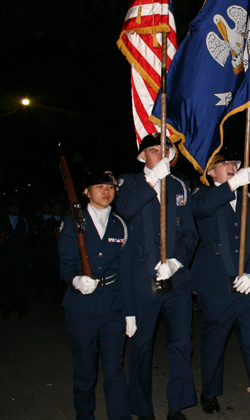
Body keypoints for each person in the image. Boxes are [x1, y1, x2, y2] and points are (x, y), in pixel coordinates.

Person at [190, 153, 250, 420]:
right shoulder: (201, 193)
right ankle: (209, 393)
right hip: (216, 285)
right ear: (211, 172)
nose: (232, 167)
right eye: (225, 164)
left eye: (235, 164)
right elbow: (200, 209)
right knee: (214, 342)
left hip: (248, 287)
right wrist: (232, 187)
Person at [117, 133, 200, 420]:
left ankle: (177, 406)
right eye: (154, 150)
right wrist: (152, 181)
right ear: (143, 157)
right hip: (142, 281)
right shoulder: (128, 183)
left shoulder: (180, 186)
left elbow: (191, 233)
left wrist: (177, 262)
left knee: (181, 343)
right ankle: (142, 409)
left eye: (166, 150)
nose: (161, 155)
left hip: (177, 280)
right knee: (141, 348)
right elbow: (125, 210)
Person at [58, 171, 130, 420]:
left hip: (113, 305)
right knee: (86, 371)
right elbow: (66, 263)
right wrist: (75, 279)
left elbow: (126, 271)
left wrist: (129, 311)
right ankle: (85, 416)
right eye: (99, 186)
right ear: (87, 192)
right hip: (82, 307)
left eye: (109, 187)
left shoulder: (120, 224)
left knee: (114, 369)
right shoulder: (72, 223)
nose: (106, 191)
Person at [0, 197, 32, 318]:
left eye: (16, 206)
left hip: (19, 260)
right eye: (11, 206)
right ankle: (7, 308)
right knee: (6, 285)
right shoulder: (0, 221)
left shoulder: (23, 221)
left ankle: (21, 309)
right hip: (4, 259)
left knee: (19, 285)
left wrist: (29, 260)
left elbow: (27, 242)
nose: (14, 209)